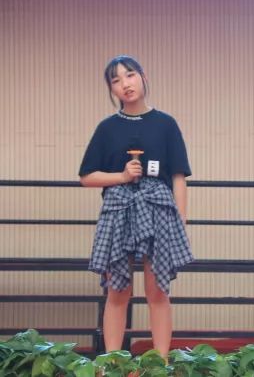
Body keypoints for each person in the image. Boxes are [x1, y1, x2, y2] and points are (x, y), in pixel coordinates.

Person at [79, 55, 193, 357]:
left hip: (159, 209)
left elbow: (178, 176)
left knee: (158, 290)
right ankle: (112, 362)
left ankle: (161, 362)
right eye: (116, 80)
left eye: (129, 75)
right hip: (118, 208)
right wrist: (121, 176)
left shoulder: (166, 124)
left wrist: (180, 220)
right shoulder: (107, 128)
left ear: (143, 76)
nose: (125, 84)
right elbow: (87, 176)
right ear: (111, 89)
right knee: (117, 289)